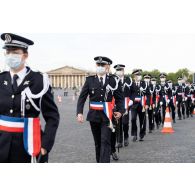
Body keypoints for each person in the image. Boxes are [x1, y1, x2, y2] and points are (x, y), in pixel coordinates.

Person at [0, 33, 60, 163]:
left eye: (14, 52)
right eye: (7, 52)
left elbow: (52, 116)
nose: (10, 55)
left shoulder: (39, 80)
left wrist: (45, 145)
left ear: (25, 55)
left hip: (29, 145)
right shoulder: (1, 79)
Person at [76, 56, 124, 163]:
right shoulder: (89, 80)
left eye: (103, 65)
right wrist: (79, 112)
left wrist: (120, 111)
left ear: (108, 66)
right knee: (97, 142)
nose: (100, 67)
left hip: (108, 115)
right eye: (99, 65)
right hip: (93, 115)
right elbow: (82, 98)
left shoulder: (114, 80)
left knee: (105, 141)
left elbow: (120, 98)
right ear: (96, 65)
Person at [113, 64, 133, 147]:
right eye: (117, 70)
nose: (119, 71)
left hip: (126, 102)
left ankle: (126, 137)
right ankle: (119, 141)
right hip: (117, 103)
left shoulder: (128, 80)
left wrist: (132, 99)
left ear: (123, 71)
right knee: (118, 123)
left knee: (125, 122)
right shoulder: (113, 80)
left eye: (120, 70)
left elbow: (134, 91)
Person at [130, 69, 147, 142]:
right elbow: (129, 94)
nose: (139, 76)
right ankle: (134, 134)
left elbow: (148, 94)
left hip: (142, 104)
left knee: (142, 120)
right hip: (134, 105)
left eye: (140, 75)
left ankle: (141, 134)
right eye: (137, 75)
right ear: (134, 76)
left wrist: (148, 103)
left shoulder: (144, 84)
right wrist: (131, 100)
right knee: (133, 119)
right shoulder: (131, 84)